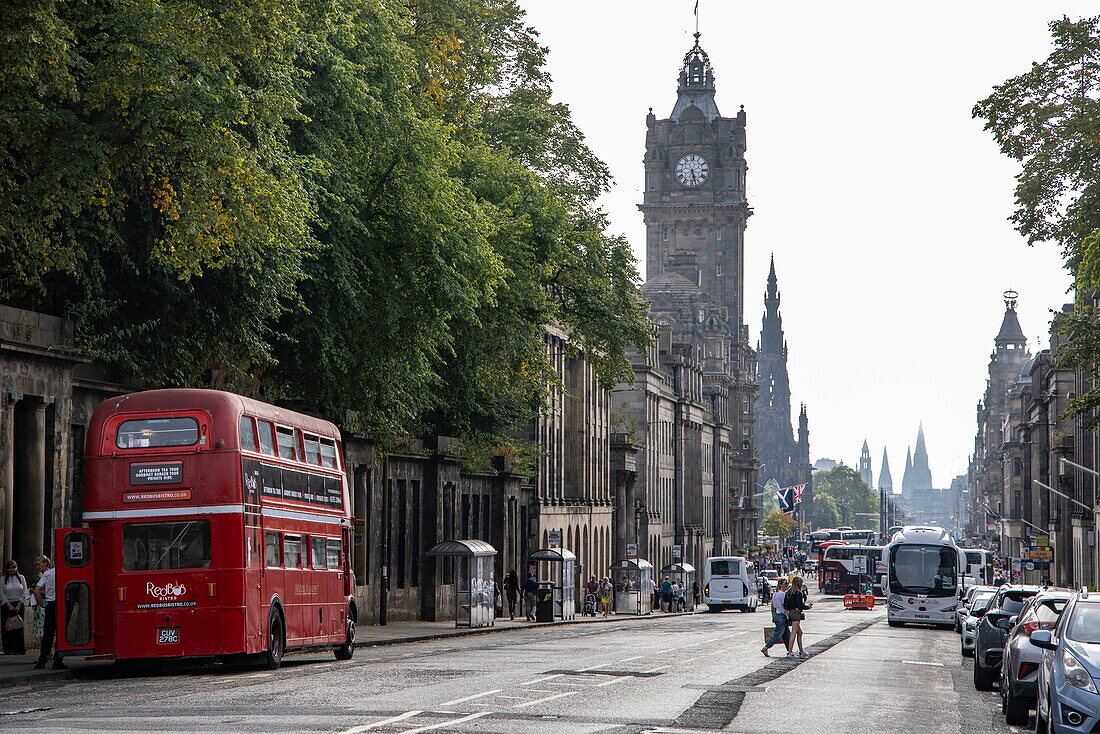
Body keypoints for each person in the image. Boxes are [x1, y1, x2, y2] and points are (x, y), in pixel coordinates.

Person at [33, 555, 63, 669]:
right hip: (61, 604)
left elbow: (36, 590)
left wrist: (41, 603)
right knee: (60, 634)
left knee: (48, 634)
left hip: (50, 604)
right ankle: (58, 660)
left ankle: (42, 660)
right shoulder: (63, 572)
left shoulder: (48, 574)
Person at [761, 578, 792, 657]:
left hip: (776, 614)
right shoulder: (783, 594)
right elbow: (784, 606)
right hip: (782, 615)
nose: (787, 585)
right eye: (785, 584)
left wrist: (773, 615)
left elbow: (773, 606)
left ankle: (790, 650)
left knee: (786, 634)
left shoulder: (775, 593)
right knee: (777, 633)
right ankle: (766, 647)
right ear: (781, 585)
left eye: (787, 584)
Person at [1, 560, 28, 655]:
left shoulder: (21, 578)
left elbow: (25, 591)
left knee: (18, 626)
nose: (12, 570)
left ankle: (20, 648)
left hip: (19, 604)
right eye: (10, 568)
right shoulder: (3, 579)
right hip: (6, 605)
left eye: (13, 568)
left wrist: (19, 605)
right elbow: (1, 594)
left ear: (16, 568)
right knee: (8, 627)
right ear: (7, 569)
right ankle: (8, 649)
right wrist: (9, 605)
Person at [783, 575, 813, 658]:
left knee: (799, 633)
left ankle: (801, 651)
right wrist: (807, 607)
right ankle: (790, 652)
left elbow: (785, 604)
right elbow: (800, 605)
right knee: (794, 633)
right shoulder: (799, 593)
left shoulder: (788, 592)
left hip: (791, 612)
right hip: (796, 613)